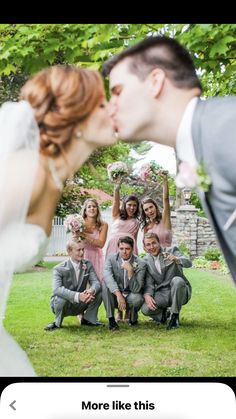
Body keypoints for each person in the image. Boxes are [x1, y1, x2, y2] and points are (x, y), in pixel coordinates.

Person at [0, 64, 117, 376]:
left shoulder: (51, 177)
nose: (113, 109)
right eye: (102, 103)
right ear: (76, 115)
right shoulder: (29, 171)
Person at [102, 35, 236, 284]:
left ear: (155, 81)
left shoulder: (227, 127)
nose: (110, 107)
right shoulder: (198, 144)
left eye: (118, 92)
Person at [44, 239, 102, 331]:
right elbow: (57, 289)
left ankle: (88, 320)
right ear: (69, 252)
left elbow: (96, 283)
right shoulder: (58, 269)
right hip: (63, 305)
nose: (82, 252)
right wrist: (78, 296)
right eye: (78, 250)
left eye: (83, 249)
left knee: (99, 291)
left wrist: (91, 290)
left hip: (80, 304)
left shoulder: (88, 264)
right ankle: (57, 323)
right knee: (60, 296)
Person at [141, 232, 192, 330]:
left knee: (177, 280)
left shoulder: (172, 250)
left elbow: (189, 262)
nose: (152, 246)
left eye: (154, 243)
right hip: (163, 293)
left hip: (179, 289)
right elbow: (149, 282)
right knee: (145, 309)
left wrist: (177, 259)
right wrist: (147, 294)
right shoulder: (146, 261)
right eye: (148, 244)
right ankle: (164, 315)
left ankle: (174, 317)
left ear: (159, 242)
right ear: (145, 247)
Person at [105, 184, 140, 322]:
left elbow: (135, 240)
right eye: (129, 205)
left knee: (128, 277)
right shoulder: (117, 215)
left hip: (129, 248)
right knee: (116, 276)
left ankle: (128, 312)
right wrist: (117, 187)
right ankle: (118, 312)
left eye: (134, 206)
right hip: (114, 246)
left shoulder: (136, 222)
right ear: (125, 205)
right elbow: (115, 201)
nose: (132, 208)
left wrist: (134, 254)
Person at [103, 236, 146, 330]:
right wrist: (118, 294)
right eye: (121, 248)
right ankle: (111, 320)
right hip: (116, 296)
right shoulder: (111, 258)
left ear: (132, 249)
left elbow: (136, 289)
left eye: (127, 249)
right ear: (118, 248)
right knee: (105, 285)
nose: (124, 251)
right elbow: (107, 277)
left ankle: (133, 317)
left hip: (131, 294)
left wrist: (130, 271)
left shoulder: (140, 263)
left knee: (137, 298)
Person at [140, 171, 172, 246]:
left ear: (156, 207)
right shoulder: (146, 227)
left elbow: (166, 199)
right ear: (144, 213)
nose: (150, 211)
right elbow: (145, 246)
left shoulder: (164, 219)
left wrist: (165, 180)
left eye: (151, 207)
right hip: (152, 257)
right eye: (146, 210)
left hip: (167, 255)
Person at [81, 198, 108, 282]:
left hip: (96, 257)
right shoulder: (79, 223)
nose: (92, 208)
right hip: (82, 255)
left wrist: (83, 235)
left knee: (96, 283)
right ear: (85, 211)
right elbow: (74, 241)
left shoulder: (103, 225)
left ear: (97, 209)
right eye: (89, 207)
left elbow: (101, 244)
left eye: (94, 206)